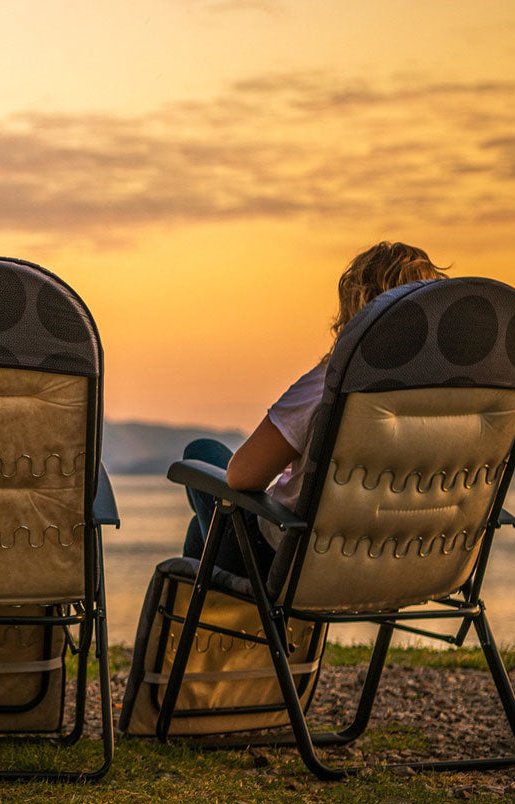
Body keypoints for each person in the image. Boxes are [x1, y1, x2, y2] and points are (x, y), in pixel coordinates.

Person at [180, 242, 448, 575]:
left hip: (288, 565)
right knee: (203, 531)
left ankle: (196, 606)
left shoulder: (330, 384)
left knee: (201, 453)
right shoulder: (449, 403)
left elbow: (241, 476)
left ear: (356, 309)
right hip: (393, 565)